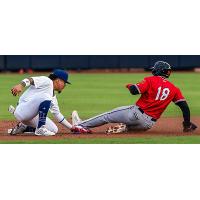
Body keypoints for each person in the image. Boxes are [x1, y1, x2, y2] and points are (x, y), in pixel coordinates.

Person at [71, 61, 197, 134]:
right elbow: (185, 107)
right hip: (147, 125)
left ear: (157, 71)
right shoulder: (174, 89)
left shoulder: (151, 80)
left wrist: (130, 85)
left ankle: (81, 125)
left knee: (107, 116)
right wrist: (186, 124)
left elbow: (134, 91)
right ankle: (124, 127)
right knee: (129, 125)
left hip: (135, 114)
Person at [9, 69, 90, 136]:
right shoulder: (47, 81)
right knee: (46, 96)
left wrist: (72, 128)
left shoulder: (52, 95)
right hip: (22, 109)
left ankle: (24, 127)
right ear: (58, 80)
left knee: (54, 129)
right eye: (64, 82)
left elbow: (57, 114)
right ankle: (40, 129)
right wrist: (21, 85)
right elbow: (30, 80)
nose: (64, 85)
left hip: (31, 115)